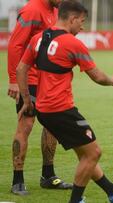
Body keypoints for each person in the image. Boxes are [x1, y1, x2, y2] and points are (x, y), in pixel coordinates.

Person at [16, 1, 113, 202]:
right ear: (72, 19)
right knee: (94, 152)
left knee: (85, 152)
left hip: (43, 110)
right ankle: (76, 200)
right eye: (82, 21)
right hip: (61, 110)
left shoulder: (38, 38)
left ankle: (112, 191)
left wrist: (27, 100)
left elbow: (21, 69)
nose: (83, 26)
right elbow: (96, 76)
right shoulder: (72, 43)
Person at [7, 0, 72, 195]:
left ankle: (48, 176)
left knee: (52, 126)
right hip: (29, 79)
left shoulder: (56, 9)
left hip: (48, 80)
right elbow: (15, 44)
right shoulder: (32, 10)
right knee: (25, 125)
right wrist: (13, 80)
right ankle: (17, 181)